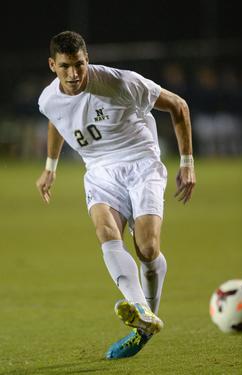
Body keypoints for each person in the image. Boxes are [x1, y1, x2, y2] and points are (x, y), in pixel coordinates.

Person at [36, 30, 196, 360]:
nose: (74, 74)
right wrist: (50, 166)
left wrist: (187, 163)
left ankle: (146, 320)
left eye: (79, 65)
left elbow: (178, 106)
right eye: (65, 66)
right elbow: (57, 119)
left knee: (148, 249)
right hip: (99, 170)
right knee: (106, 232)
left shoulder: (121, 83)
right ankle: (141, 311)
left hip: (141, 162)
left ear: (87, 59)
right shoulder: (48, 99)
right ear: (53, 65)